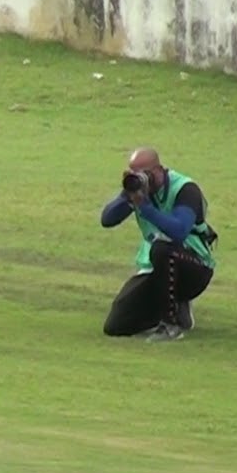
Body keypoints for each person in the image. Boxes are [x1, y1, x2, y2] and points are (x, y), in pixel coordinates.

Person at [99, 147, 219, 342]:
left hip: (194, 266)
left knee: (162, 249)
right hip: (155, 269)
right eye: (135, 174)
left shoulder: (185, 189)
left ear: (158, 170)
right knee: (116, 325)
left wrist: (145, 207)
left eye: (145, 174)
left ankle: (172, 324)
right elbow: (107, 220)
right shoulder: (136, 192)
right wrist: (127, 197)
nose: (141, 179)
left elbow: (179, 231)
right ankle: (170, 307)